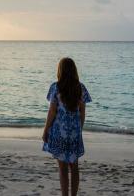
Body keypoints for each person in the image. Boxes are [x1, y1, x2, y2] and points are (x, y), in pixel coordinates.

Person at [42, 57, 92, 196]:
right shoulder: (80, 87)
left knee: (63, 168)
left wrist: (46, 130)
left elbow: (52, 111)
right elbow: (82, 112)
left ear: (60, 70)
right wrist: (79, 129)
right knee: (74, 166)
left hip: (59, 132)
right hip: (74, 133)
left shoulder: (56, 87)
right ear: (74, 70)